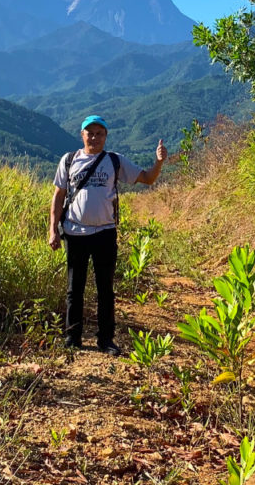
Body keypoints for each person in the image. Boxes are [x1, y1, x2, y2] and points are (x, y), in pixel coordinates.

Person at [49, 115, 166, 355]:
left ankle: (106, 340)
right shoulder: (69, 160)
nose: (94, 137)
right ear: (82, 135)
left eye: (99, 133)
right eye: (89, 133)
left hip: (104, 233)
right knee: (75, 288)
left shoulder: (114, 161)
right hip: (74, 232)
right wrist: (52, 230)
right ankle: (73, 338)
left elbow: (147, 179)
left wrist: (159, 162)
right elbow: (58, 197)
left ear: (106, 136)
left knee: (105, 289)